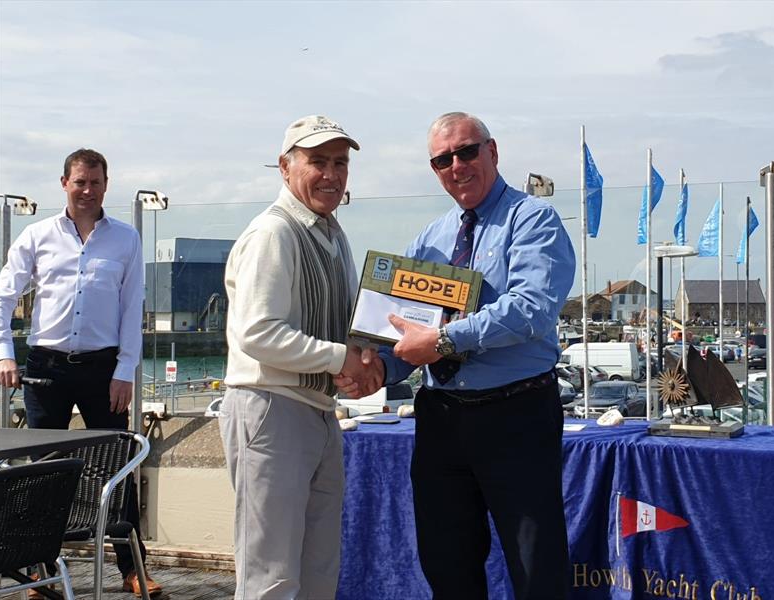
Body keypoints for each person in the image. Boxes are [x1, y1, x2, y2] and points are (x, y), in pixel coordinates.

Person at [337, 112, 575, 599]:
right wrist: (380, 368)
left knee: (536, 566)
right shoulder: (429, 239)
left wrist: (442, 342)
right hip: (442, 420)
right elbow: (404, 331)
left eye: (467, 151)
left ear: (493, 151)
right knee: (447, 565)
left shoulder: (533, 219)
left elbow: (530, 308)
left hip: (517, 415)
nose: (457, 166)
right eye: (443, 159)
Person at [219, 115, 382, 600]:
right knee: (270, 575)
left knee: (317, 571)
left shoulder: (332, 234)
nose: (331, 174)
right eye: (318, 162)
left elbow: (345, 326)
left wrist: (362, 364)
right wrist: (342, 360)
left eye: (340, 163)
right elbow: (257, 332)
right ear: (285, 168)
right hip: (269, 409)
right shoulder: (274, 231)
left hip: (315, 409)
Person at [0, 148, 161, 597]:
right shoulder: (36, 235)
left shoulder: (126, 239)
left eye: (96, 183)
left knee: (117, 469)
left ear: (106, 185)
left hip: (103, 370)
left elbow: (131, 310)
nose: (88, 191)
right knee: (41, 475)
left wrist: (126, 370)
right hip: (45, 368)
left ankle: (132, 569)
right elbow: (3, 296)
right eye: (80, 182)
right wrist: (2, 354)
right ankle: (38, 570)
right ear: (64, 183)